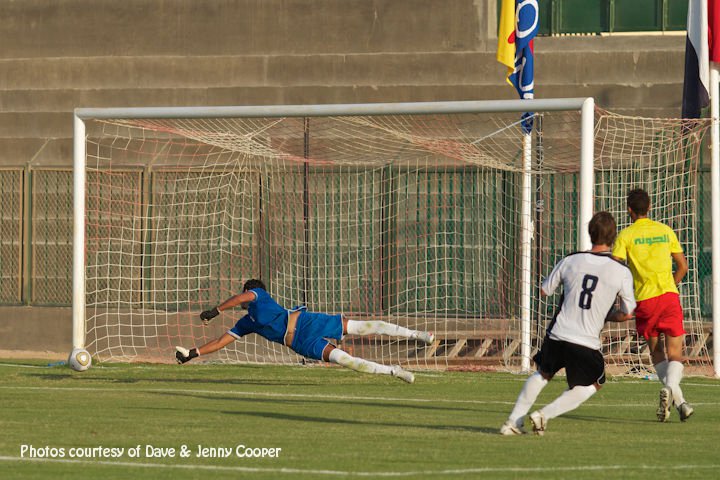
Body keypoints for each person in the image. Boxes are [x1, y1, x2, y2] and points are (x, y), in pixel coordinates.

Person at [500, 211, 636, 436]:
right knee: (596, 382)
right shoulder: (621, 272)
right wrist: (605, 313)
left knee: (543, 373)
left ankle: (513, 422)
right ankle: (544, 414)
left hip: (559, 332)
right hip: (586, 340)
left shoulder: (570, 259)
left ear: (590, 233)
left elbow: (544, 291)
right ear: (614, 238)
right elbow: (627, 313)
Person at [175, 279, 435, 384]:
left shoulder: (260, 295)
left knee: (360, 327)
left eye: (246, 294)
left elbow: (237, 297)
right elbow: (221, 342)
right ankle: (394, 371)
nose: (244, 299)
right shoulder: (246, 323)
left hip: (306, 322)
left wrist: (216, 310)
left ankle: (416, 334)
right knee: (346, 361)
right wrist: (193, 353)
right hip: (300, 343)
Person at [612, 188, 693, 422]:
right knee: (676, 354)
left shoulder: (625, 236)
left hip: (645, 301)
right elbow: (683, 267)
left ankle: (678, 400)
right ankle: (676, 397)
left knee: (657, 353)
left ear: (629, 210)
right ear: (649, 207)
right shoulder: (665, 230)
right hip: (669, 296)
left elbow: (615, 268)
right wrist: (672, 285)